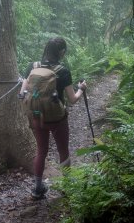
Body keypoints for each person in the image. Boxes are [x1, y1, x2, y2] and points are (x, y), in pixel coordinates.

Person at [20, 37, 87, 200]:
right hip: (57, 119)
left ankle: (37, 188)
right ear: (61, 52)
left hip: (37, 117)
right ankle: (68, 187)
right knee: (63, 151)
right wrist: (81, 89)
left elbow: (22, 94)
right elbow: (72, 99)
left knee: (41, 151)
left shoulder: (32, 66)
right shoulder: (63, 71)